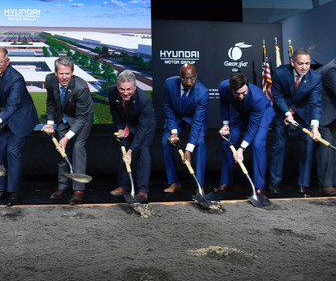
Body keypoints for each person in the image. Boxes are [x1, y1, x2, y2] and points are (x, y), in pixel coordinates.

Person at [0, 47, 38, 207]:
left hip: (21, 117)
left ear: (7, 62)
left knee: (12, 151)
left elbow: (13, 106)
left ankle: (14, 193)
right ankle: (2, 190)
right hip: (5, 116)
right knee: (0, 150)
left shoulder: (16, 79)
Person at [269, 48, 322, 197]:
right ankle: (275, 182)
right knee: (280, 144)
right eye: (300, 63)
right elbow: (277, 96)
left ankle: (303, 185)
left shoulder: (315, 78)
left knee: (308, 143)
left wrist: (315, 127)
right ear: (292, 63)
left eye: (307, 63)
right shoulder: (280, 73)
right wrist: (287, 113)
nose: (304, 67)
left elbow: (315, 103)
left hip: (303, 113)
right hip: (283, 111)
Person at [41, 57, 94, 205]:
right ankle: (62, 187)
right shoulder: (50, 80)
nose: (64, 77)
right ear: (55, 73)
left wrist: (66, 138)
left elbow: (81, 118)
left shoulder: (81, 87)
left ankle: (78, 190)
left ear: (72, 72)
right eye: (61, 73)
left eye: (68, 74)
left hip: (82, 117)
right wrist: (50, 124)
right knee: (62, 150)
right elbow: (51, 101)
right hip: (64, 116)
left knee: (77, 147)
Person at [217, 72, 275, 199]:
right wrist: (225, 124)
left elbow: (253, 127)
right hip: (239, 113)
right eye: (238, 94)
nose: (242, 96)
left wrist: (241, 149)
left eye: (244, 92)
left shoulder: (257, 98)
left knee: (258, 144)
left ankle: (259, 187)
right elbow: (224, 104)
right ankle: (226, 181)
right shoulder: (223, 87)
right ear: (230, 88)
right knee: (227, 142)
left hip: (262, 113)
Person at [108, 70, 155, 203]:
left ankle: (142, 190)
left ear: (135, 87)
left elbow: (141, 131)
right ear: (118, 87)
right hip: (126, 124)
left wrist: (131, 152)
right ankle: (123, 186)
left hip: (144, 127)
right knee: (123, 151)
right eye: (122, 89)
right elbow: (114, 112)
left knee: (143, 151)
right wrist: (119, 128)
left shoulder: (144, 100)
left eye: (129, 89)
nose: (126, 92)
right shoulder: (112, 92)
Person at [161, 63, 208, 194]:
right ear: (180, 77)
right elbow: (167, 106)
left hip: (194, 119)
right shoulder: (169, 84)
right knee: (165, 142)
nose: (188, 82)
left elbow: (198, 122)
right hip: (176, 117)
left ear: (196, 76)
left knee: (199, 143)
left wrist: (189, 149)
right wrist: (174, 131)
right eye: (185, 79)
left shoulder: (203, 93)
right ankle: (174, 182)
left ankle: (200, 186)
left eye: (192, 79)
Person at [316, 58, 336, 195]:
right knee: (326, 151)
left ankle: (332, 182)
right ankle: (325, 184)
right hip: (325, 117)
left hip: (333, 116)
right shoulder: (331, 70)